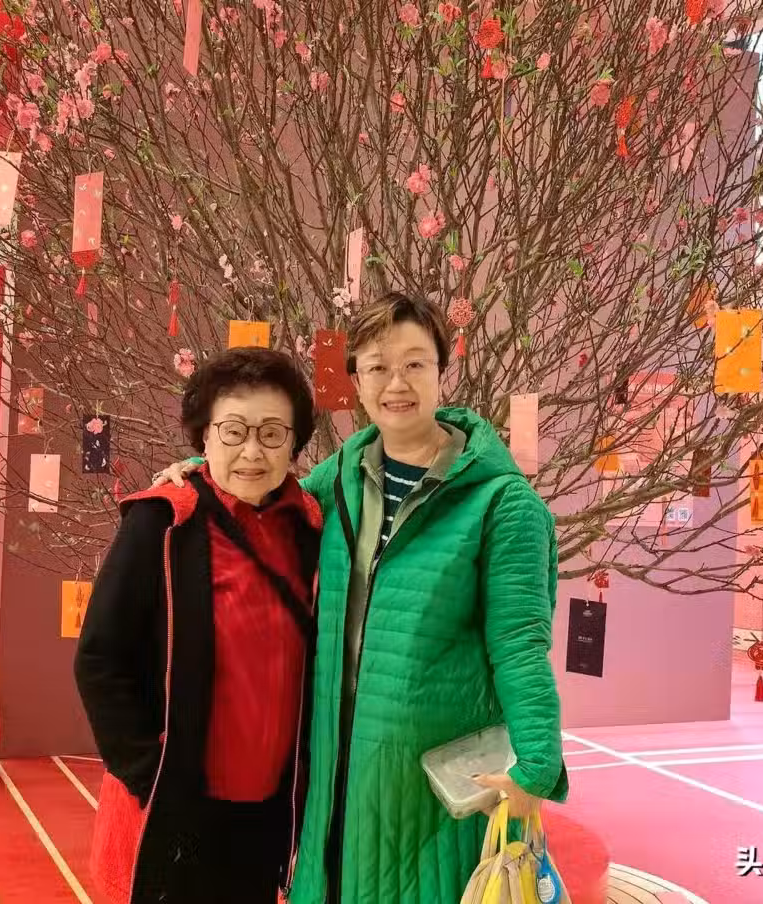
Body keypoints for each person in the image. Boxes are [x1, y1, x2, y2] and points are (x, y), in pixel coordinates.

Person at [153, 291, 567, 904]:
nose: (396, 383)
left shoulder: (503, 504)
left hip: (427, 780)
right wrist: (202, 468)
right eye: (377, 366)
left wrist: (537, 766)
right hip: (333, 767)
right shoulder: (341, 478)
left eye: (414, 363)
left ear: (441, 371)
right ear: (356, 381)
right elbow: (267, 489)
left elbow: (519, 643)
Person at [75, 346, 324, 904]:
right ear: (204, 437)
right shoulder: (162, 523)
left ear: (294, 444)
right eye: (233, 431)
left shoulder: (312, 529)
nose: (252, 452)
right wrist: (150, 774)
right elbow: (100, 658)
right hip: (178, 811)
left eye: (272, 433)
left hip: (268, 815)